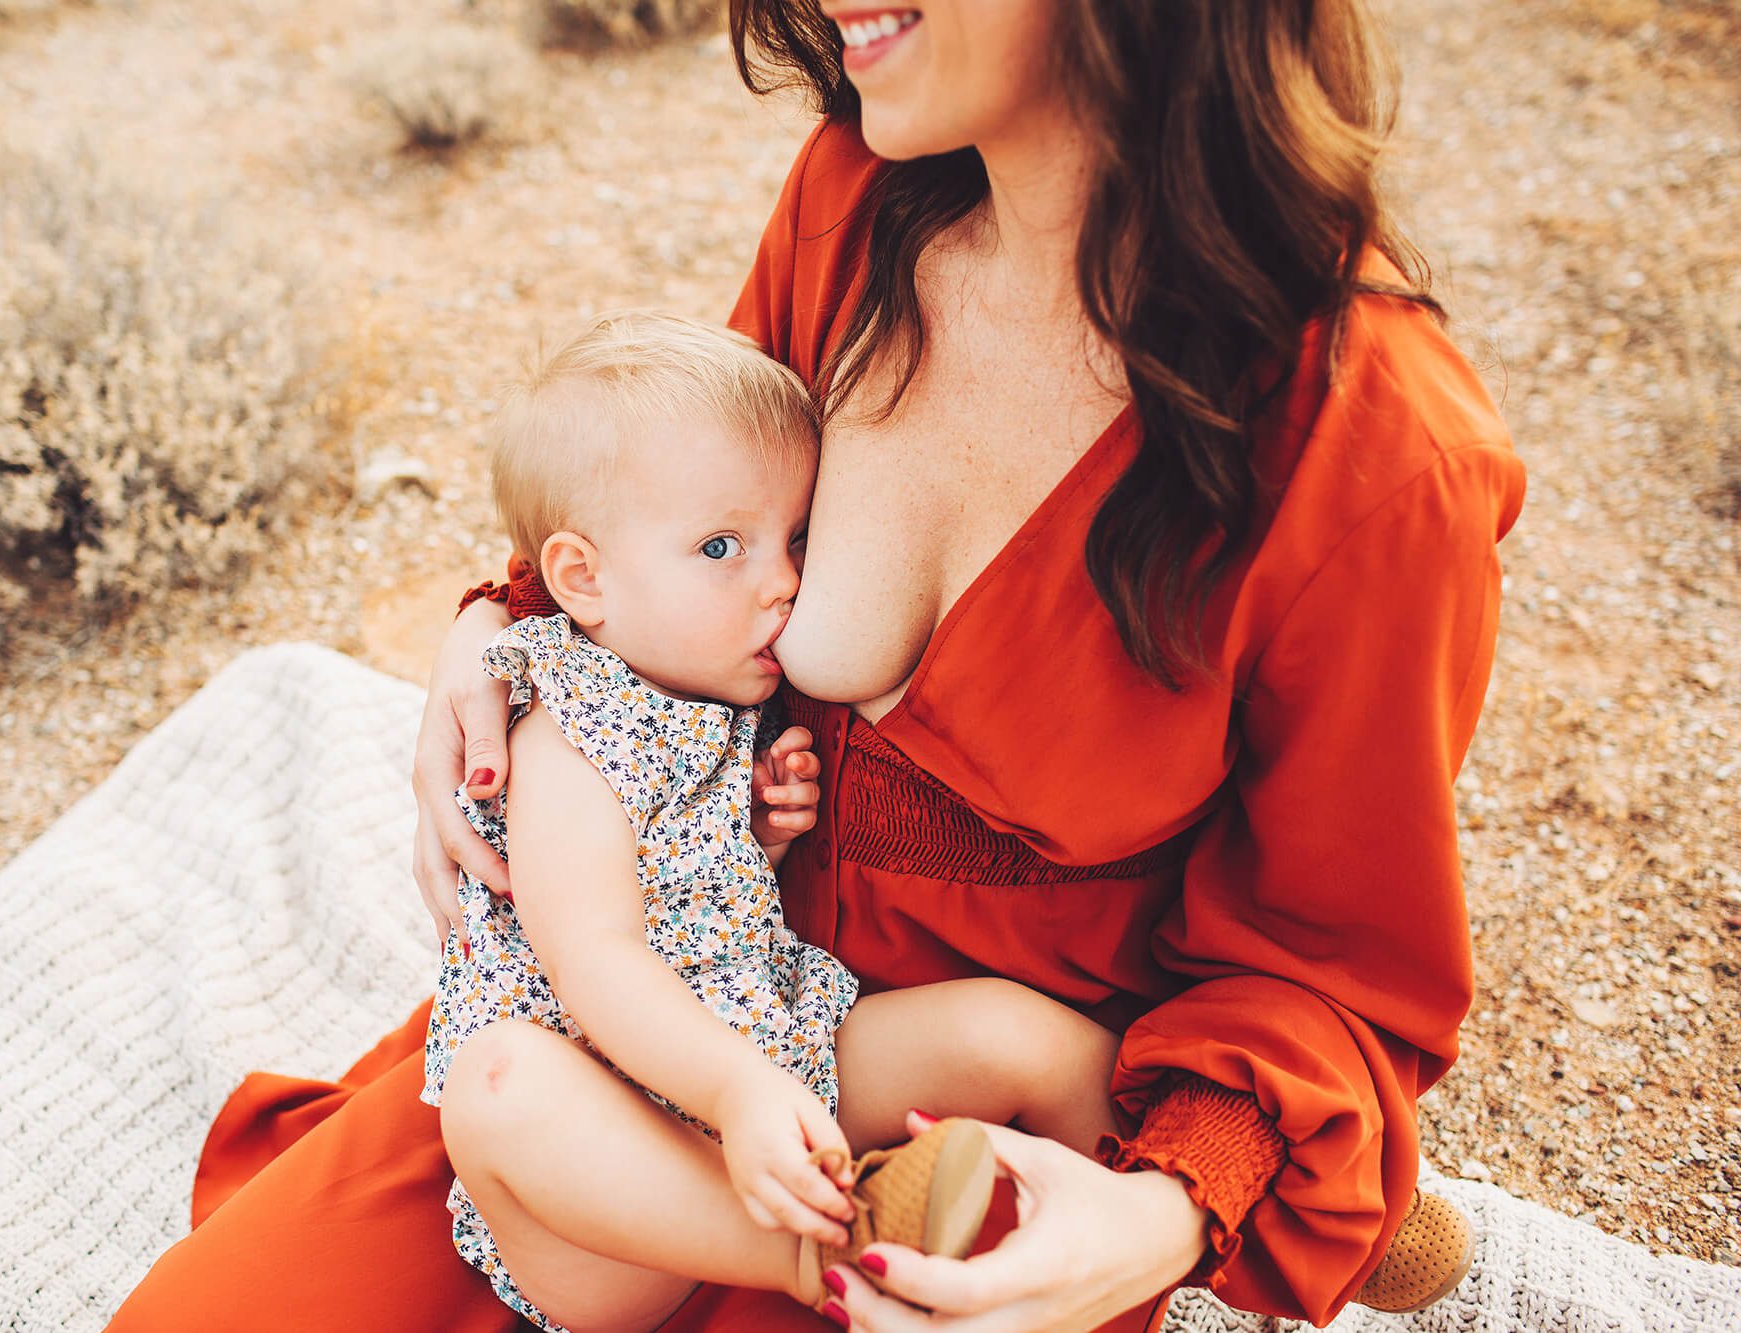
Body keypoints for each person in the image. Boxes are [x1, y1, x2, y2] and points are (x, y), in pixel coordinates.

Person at [109, 0, 1525, 1326]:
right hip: (674, 997)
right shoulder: (861, 197)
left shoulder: (1377, 461)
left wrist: (1166, 1212)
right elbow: (668, 514)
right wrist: (497, 631)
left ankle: (1304, 1190)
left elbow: (1334, 964)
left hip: (971, 1117)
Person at [424, 309, 1126, 1330]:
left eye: (796, 538)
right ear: (582, 580)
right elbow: (596, 958)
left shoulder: (703, 696)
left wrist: (758, 837)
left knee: (1025, 1038)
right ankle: (823, 1253)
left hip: (771, 1047)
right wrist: (738, 1095)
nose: (785, 580)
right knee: (498, 1083)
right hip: (618, 1184)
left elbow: (683, 893)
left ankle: (1146, 1230)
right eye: (723, 546)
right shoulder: (561, 738)